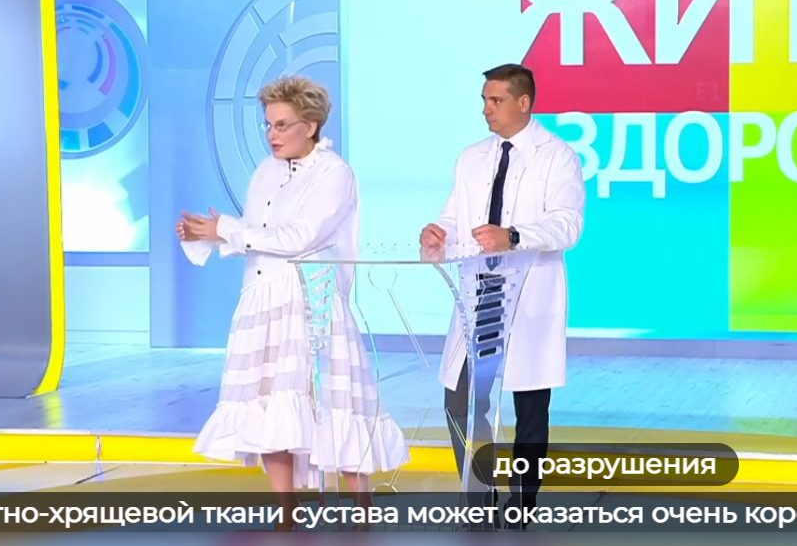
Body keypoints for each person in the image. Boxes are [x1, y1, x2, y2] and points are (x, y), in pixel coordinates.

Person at [178, 75, 409, 531]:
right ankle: (286, 513)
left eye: (282, 125)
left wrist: (228, 230)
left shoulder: (334, 174)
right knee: (270, 403)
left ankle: (361, 513)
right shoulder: (266, 172)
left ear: (311, 125)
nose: (272, 134)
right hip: (262, 299)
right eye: (268, 125)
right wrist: (209, 234)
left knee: (334, 403)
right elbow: (258, 233)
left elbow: (299, 237)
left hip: (311, 301)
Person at [420, 64, 586, 528]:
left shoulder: (557, 156)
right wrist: (437, 234)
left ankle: (522, 504)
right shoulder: (471, 158)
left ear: (524, 103)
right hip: (479, 294)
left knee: (529, 406)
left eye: (495, 101)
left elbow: (568, 225)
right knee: (461, 399)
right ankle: (480, 496)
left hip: (529, 292)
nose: (486, 109)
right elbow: (454, 218)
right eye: (484, 100)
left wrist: (512, 236)